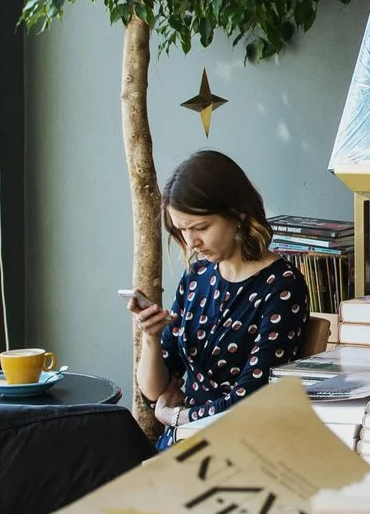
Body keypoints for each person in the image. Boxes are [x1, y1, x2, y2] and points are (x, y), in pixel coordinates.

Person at [129, 150, 309, 446]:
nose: (191, 242)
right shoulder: (196, 277)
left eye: (200, 228)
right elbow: (154, 392)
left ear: (237, 215)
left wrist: (176, 418)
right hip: (183, 443)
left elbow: (252, 397)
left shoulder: (282, 285)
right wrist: (150, 337)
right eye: (181, 230)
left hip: (240, 447)